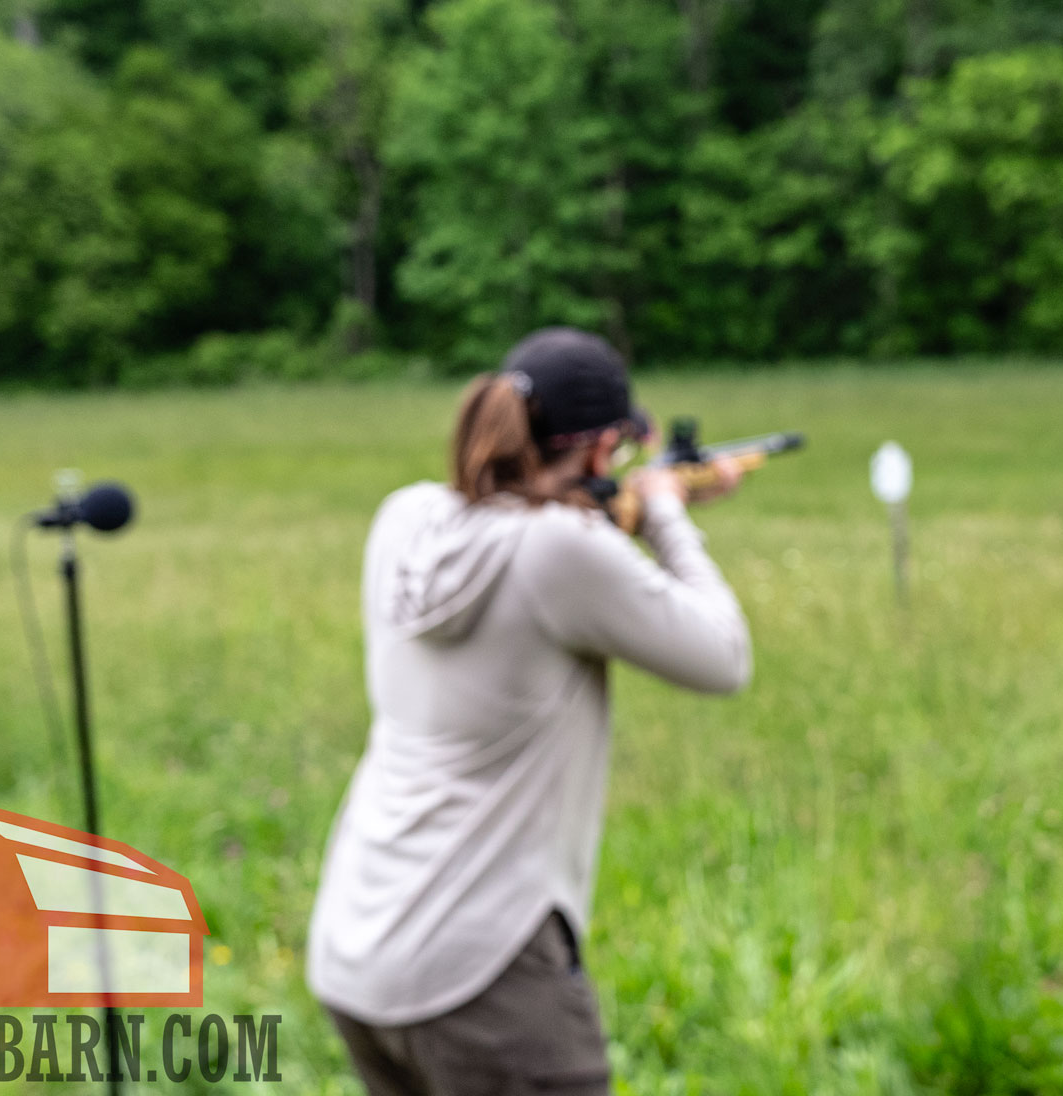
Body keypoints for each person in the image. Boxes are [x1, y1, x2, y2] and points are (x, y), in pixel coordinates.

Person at [308, 326, 751, 1095]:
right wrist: (669, 513)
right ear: (599, 450)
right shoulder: (560, 552)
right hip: (483, 973)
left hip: (360, 948)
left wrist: (617, 517)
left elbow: (516, 541)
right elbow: (724, 658)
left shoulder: (407, 519)